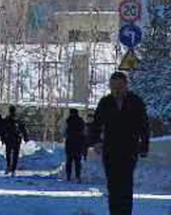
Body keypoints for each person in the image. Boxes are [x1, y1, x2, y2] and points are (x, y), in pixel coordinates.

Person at [89, 71, 149, 215]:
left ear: (126, 86)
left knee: (126, 184)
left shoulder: (136, 101)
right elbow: (96, 124)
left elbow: (144, 125)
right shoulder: (105, 102)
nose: (116, 89)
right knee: (113, 185)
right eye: (113, 86)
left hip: (129, 149)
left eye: (120, 86)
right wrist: (96, 141)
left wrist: (144, 145)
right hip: (110, 149)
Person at [1, 105, 28, 175]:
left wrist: (2, 138)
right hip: (17, 138)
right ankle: (13, 169)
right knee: (15, 154)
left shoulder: (6, 119)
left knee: (8, 153)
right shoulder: (18, 119)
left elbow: (3, 129)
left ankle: (8, 166)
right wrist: (25, 137)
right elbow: (23, 129)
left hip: (8, 138)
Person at [64, 108, 87, 183]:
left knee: (69, 160)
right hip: (78, 143)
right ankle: (78, 176)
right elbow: (83, 132)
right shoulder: (81, 121)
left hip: (70, 143)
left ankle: (68, 176)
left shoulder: (68, 121)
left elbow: (65, 132)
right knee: (77, 161)